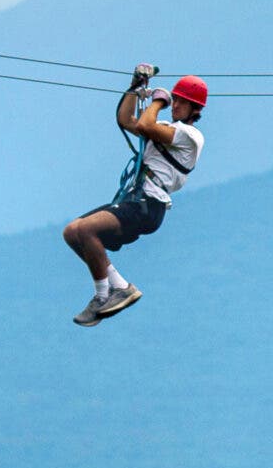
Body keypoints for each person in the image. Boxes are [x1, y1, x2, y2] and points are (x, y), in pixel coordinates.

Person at [62, 68, 208, 325]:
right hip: (135, 197)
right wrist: (135, 87)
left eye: (182, 102)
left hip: (149, 205)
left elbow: (144, 124)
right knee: (72, 232)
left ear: (195, 109)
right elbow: (126, 119)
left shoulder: (190, 136)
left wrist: (158, 101)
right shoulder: (164, 128)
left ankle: (103, 295)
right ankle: (118, 286)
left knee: (86, 231)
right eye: (176, 99)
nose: (176, 105)